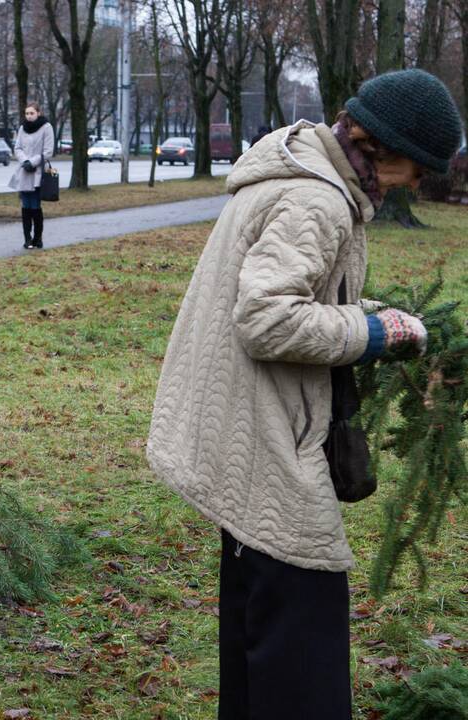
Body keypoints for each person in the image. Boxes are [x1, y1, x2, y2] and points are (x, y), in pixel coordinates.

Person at [146, 69, 462, 719]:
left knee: (258, 624)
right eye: (418, 168)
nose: (418, 183)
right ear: (385, 149)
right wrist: (372, 331)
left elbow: (303, 297)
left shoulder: (304, 175)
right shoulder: (314, 200)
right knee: (301, 638)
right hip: (263, 435)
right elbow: (266, 320)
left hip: (243, 422)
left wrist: (379, 317)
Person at [8, 103, 54, 249]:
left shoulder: (46, 127)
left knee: (35, 206)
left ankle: (37, 238)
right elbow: (17, 148)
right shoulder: (23, 128)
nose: (29, 116)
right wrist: (24, 161)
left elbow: (48, 151)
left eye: (32, 113)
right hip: (24, 171)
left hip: (37, 171)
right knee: (25, 206)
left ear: (38, 113)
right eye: (27, 113)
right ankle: (27, 239)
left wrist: (32, 162)